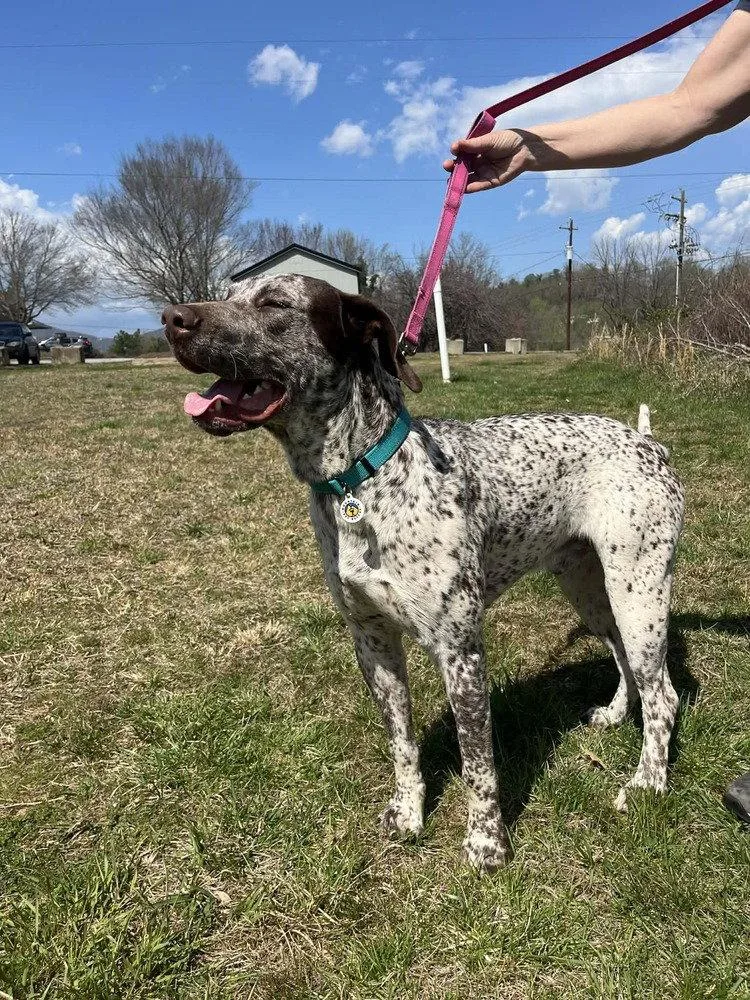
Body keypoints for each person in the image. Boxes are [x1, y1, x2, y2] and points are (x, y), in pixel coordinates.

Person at [444, 0, 750, 826]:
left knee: (641, 621)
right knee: (600, 604)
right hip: (601, 467)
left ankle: (659, 734)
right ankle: (629, 691)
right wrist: (530, 148)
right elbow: (689, 107)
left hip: (623, 472)